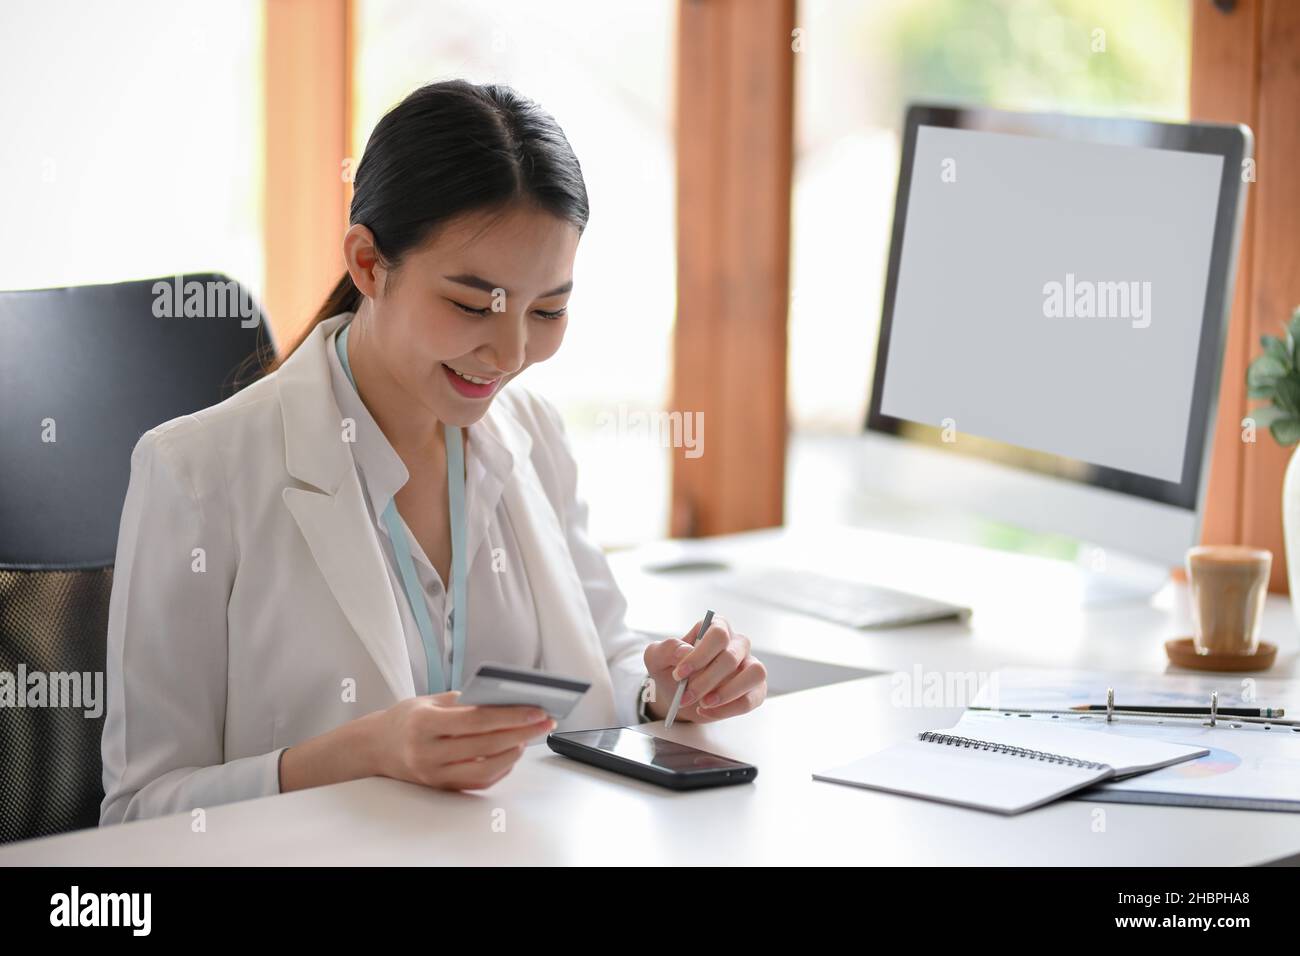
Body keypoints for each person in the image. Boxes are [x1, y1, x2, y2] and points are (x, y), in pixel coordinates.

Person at [100, 79, 767, 825]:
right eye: (472, 304)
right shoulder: (196, 473)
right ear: (367, 264)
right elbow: (139, 811)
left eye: (548, 310)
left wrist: (666, 687)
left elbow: (603, 661)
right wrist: (360, 753)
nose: (511, 352)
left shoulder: (534, 432)